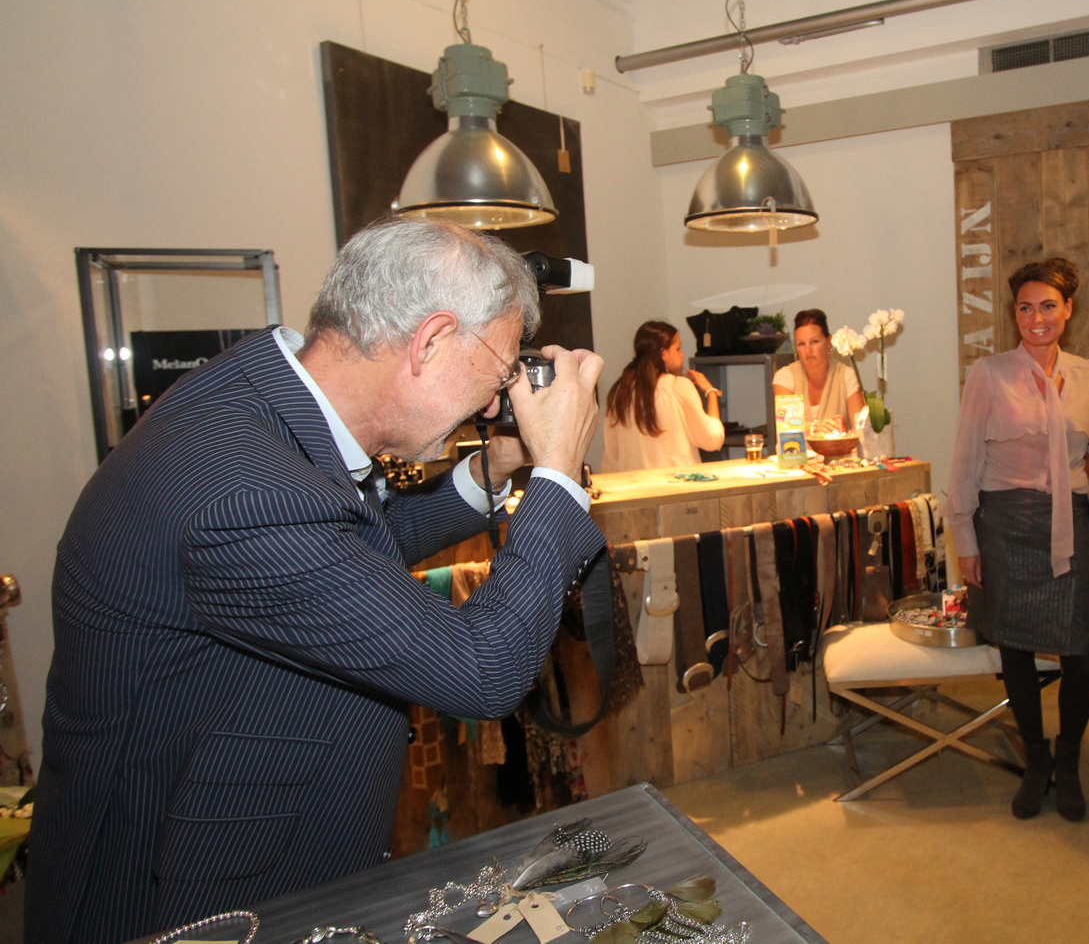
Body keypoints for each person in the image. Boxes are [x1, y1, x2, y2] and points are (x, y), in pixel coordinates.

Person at [27, 217, 606, 944]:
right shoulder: (244, 493)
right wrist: (558, 472)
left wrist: (491, 469)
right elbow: (483, 670)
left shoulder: (263, 398)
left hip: (248, 846)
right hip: (186, 899)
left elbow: (344, 552)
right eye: (495, 375)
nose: (495, 403)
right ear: (429, 341)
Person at [947, 258, 1089, 821]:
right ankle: (1036, 760)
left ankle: (1069, 760)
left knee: (1083, 652)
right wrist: (965, 539)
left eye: (1048, 306)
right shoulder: (989, 373)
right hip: (1006, 523)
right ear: (1013, 313)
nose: (1037, 318)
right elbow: (966, 458)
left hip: (1071, 520)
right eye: (1025, 308)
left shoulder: (1088, 374)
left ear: (1068, 309)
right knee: (1014, 647)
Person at [602, 320, 726, 471]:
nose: (682, 355)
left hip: (633, 484)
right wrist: (711, 392)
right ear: (663, 353)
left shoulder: (620, 392)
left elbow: (611, 458)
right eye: (678, 349)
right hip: (678, 482)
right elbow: (712, 440)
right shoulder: (678, 386)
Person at [771, 308, 866, 432]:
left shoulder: (846, 375)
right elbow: (787, 424)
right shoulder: (784, 376)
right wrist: (816, 427)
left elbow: (860, 427)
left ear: (829, 342)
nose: (808, 351)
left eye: (814, 342)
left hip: (837, 445)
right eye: (801, 344)